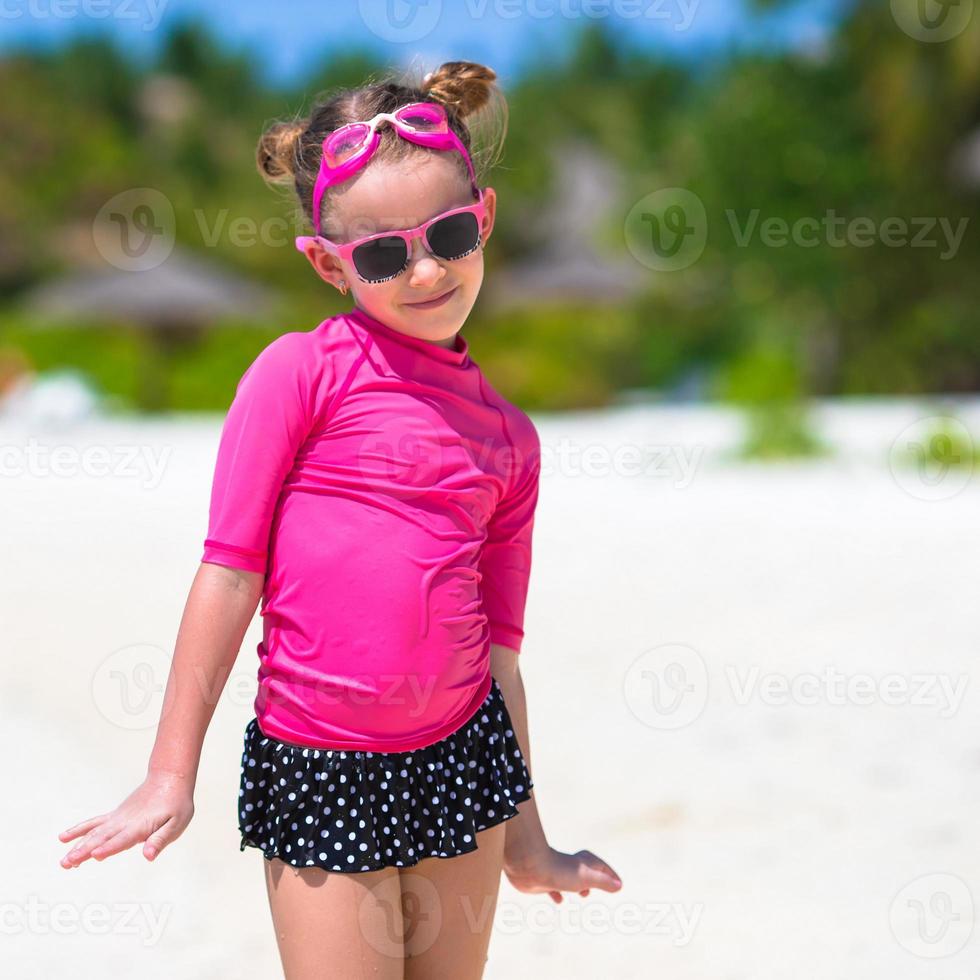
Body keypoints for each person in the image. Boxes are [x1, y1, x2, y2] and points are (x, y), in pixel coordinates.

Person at [57, 60, 622, 979]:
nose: (428, 269)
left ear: (482, 219)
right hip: (321, 762)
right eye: (387, 254)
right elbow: (230, 572)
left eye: (447, 235)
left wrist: (528, 838)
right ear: (329, 263)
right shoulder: (298, 376)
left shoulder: (511, 441)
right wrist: (171, 772)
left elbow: (500, 658)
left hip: (463, 761)